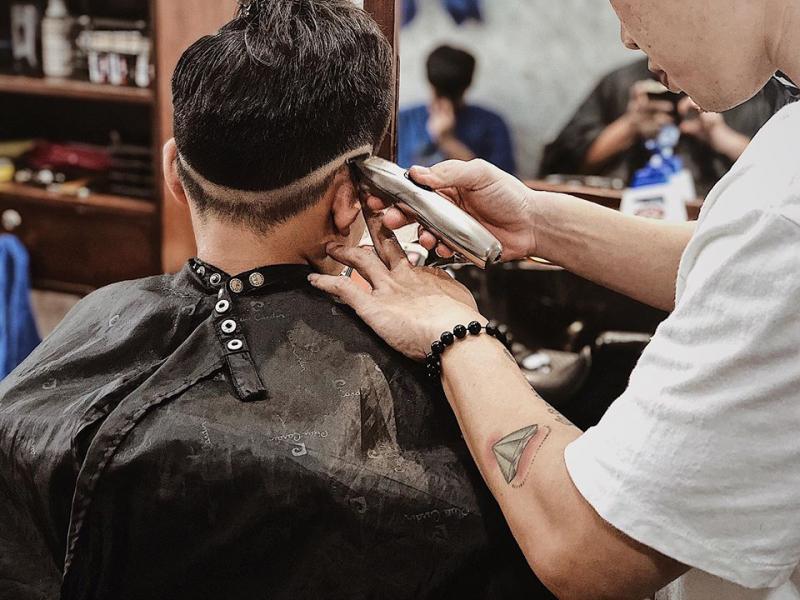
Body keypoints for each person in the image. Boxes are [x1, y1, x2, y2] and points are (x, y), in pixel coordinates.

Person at [0, 2, 550, 599]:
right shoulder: (442, 380)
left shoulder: (89, 318)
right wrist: (460, 330)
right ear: (351, 197)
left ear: (173, 173)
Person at [308, 0, 800, 598]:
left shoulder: (785, 202)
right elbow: (731, 263)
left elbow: (586, 548)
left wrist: (451, 328)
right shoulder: (785, 152)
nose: (626, 37)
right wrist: (536, 223)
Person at [540, 56, 795, 195]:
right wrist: (628, 127)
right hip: (624, 217)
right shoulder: (620, 82)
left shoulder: (752, 89)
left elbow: (786, 174)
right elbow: (558, 167)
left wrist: (720, 137)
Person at [397, 45, 517, 174]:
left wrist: (447, 141)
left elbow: (503, 179)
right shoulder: (492, 123)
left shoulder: (492, 125)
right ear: (469, 83)